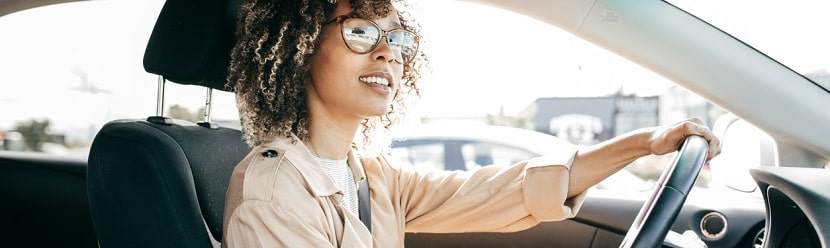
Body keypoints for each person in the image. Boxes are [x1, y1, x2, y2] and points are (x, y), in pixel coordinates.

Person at [221, 0, 722, 247]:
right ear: (301, 49)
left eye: (397, 40)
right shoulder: (274, 191)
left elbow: (502, 190)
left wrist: (645, 144)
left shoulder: (368, 175)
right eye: (359, 31)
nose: (386, 53)